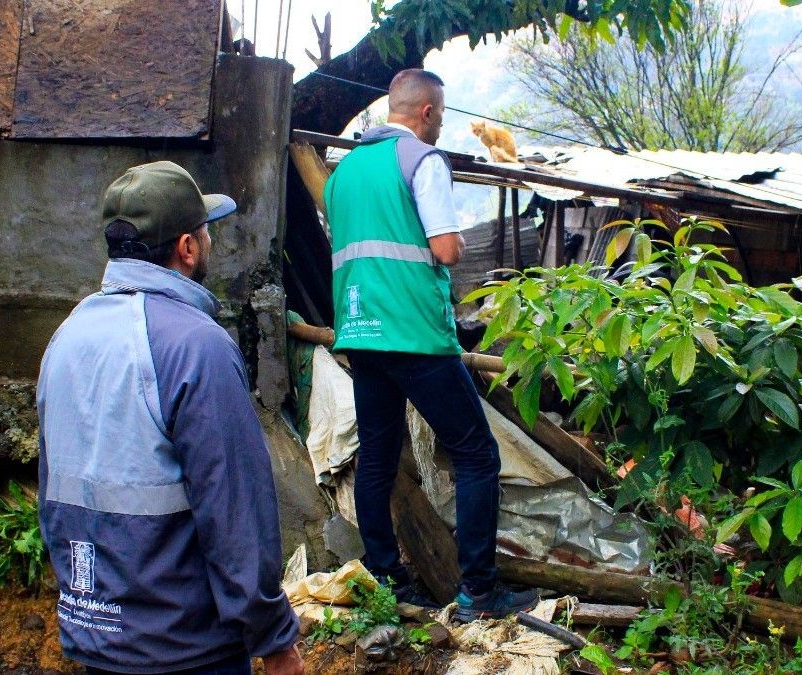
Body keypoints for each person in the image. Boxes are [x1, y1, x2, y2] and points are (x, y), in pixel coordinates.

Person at [36, 161, 303, 675]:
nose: (209, 243)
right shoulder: (195, 344)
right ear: (186, 248)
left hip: (97, 637)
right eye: (206, 232)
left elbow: (52, 494)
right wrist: (273, 636)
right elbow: (234, 510)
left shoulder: (66, 337)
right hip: (187, 649)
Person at [323, 68, 537, 620]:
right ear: (426, 112)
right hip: (415, 335)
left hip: (360, 335)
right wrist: (458, 241)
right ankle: (479, 593)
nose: (440, 124)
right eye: (439, 114)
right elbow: (444, 249)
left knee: (375, 458)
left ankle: (387, 580)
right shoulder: (422, 161)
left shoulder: (342, 174)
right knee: (476, 454)